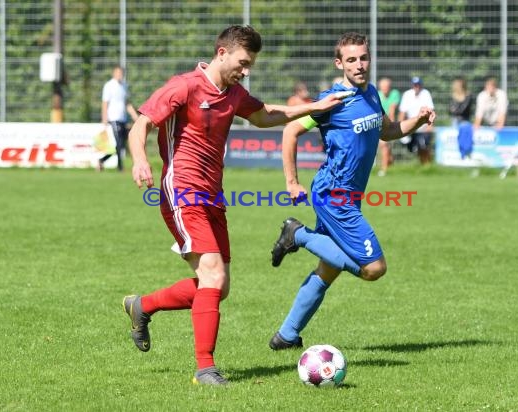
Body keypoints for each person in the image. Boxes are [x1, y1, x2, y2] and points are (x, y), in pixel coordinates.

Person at [122, 25, 346, 386]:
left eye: (251, 64)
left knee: (217, 287)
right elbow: (141, 125)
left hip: (213, 196)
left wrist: (315, 107)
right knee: (212, 274)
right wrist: (139, 160)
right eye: (243, 62)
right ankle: (205, 369)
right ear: (222, 53)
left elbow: (265, 115)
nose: (246, 70)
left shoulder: (233, 93)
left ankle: (143, 306)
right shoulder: (184, 86)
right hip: (182, 191)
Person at [268, 32, 435, 351]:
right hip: (333, 196)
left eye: (363, 58)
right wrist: (291, 182)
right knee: (374, 268)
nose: (359, 65)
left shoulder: (372, 93)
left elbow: (388, 131)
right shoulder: (332, 100)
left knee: (328, 268)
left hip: (348, 197)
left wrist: (419, 119)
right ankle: (297, 234)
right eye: (352, 60)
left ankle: (286, 336)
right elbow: (290, 130)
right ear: (339, 63)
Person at [98, 65, 139, 171]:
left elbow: (127, 103)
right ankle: (120, 167)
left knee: (121, 144)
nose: (119, 75)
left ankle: (102, 160)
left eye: (121, 73)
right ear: (114, 73)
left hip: (123, 118)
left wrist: (135, 116)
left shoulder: (124, 86)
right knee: (119, 143)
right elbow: (105, 103)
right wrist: (104, 118)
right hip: (113, 118)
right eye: (118, 73)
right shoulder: (109, 86)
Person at [398, 76, 435, 164]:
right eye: (415, 85)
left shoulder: (426, 93)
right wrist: (399, 127)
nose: (416, 87)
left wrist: (430, 125)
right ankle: (423, 164)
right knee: (412, 147)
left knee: (424, 146)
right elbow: (402, 113)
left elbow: (431, 111)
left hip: (424, 127)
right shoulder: (407, 94)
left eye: (418, 85)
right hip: (412, 126)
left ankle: (426, 165)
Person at [376, 77, 401, 176]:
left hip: (390, 123)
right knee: (386, 148)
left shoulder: (395, 94)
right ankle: (389, 166)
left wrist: (389, 125)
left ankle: (384, 169)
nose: (385, 89)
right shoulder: (378, 94)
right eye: (383, 87)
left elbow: (392, 109)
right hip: (379, 123)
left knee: (384, 146)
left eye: (387, 87)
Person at [448, 76, 474, 159]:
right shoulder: (452, 97)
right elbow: (450, 110)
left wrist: (456, 110)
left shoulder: (468, 95)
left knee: (464, 129)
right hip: (455, 121)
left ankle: (465, 153)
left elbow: (463, 110)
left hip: (465, 121)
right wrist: (456, 110)